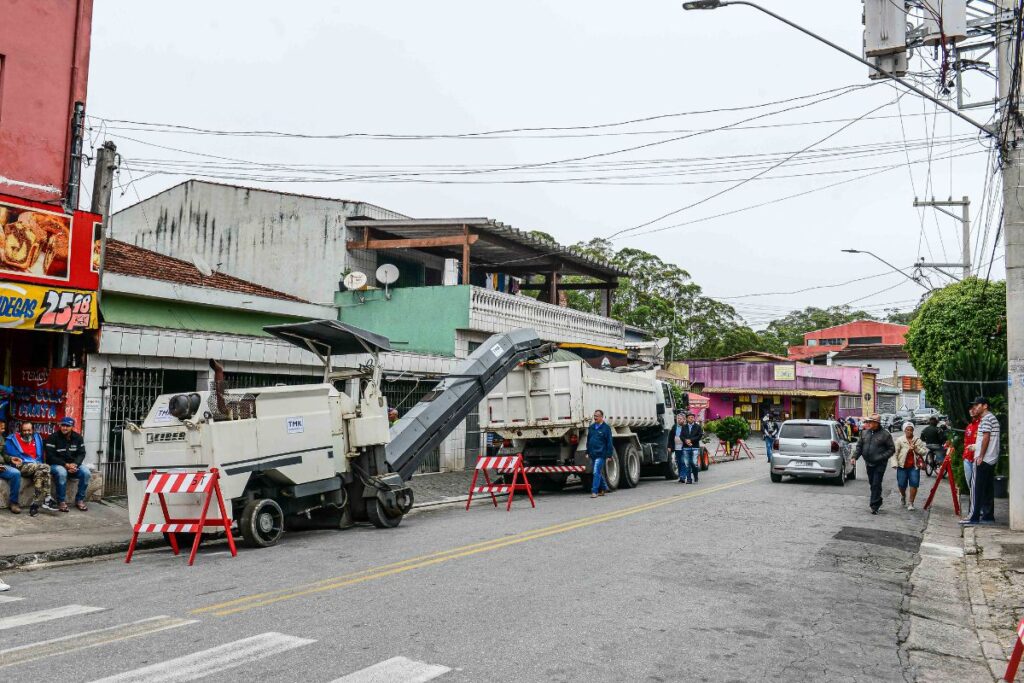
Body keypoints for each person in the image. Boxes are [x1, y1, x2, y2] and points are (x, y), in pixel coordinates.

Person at [4, 421, 56, 516]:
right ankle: (47, 498)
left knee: (41, 473)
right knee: (45, 467)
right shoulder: (12, 439)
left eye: (29, 430)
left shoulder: (37, 438)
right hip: (21, 466)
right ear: (20, 430)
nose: (27, 432)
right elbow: (6, 455)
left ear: (33, 430)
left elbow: (40, 456)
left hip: (37, 466)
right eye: (24, 430)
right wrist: (12, 459)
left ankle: (34, 505)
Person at [961, 397, 1000, 526]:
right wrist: (976, 447)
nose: (975, 408)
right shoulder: (991, 418)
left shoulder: (986, 419)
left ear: (985, 406)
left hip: (984, 459)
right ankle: (988, 516)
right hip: (991, 458)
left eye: (977, 405)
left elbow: (986, 438)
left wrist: (981, 455)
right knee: (987, 489)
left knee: (975, 489)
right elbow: (985, 439)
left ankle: (973, 516)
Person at [851, 414, 895, 514]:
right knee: (872, 483)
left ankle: (874, 505)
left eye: (871, 422)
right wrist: (854, 457)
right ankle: (878, 499)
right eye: (868, 421)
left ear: (876, 423)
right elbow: (859, 447)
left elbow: (892, 449)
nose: (868, 423)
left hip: (880, 464)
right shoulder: (864, 433)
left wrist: (882, 457)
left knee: (876, 483)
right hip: (868, 462)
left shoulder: (885, 434)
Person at [45, 417, 90, 512]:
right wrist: (65, 465)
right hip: (56, 465)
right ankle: (61, 501)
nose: (64, 428)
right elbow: (50, 456)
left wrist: (75, 464)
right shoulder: (53, 437)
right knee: (62, 473)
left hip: (73, 465)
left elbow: (81, 453)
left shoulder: (78, 438)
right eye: (63, 425)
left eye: (67, 426)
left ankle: (80, 500)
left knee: (86, 473)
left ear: (72, 426)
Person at [891, 422, 928, 511]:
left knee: (914, 484)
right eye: (907, 430)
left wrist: (916, 448)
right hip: (902, 465)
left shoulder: (917, 440)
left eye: (911, 430)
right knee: (901, 484)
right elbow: (895, 453)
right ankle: (903, 495)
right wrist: (894, 463)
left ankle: (911, 502)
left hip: (914, 466)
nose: (909, 431)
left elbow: (924, 451)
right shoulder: (900, 440)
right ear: (904, 430)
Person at [586, 409, 614, 499]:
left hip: (601, 454)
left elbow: (609, 442)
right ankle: (605, 487)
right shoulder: (592, 427)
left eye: (597, 416)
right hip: (593, 454)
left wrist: (609, 455)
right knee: (597, 472)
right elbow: (588, 440)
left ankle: (594, 491)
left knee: (595, 472)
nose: (595, 418)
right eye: (594, 416)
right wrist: (587, 452)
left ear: (601, 417)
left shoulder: (606, 428)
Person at [671, 413, 703, 484]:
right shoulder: (684, 427)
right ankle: (689, 479)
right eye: (689, 418)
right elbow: (681, 436)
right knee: (687, 464)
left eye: (692, 417)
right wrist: (685, 440)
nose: (691, 419)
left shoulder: (698, 427)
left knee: (694, 463)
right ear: (687, 419)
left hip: (694, 447)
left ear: (694, 419)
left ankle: (695, 476)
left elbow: (699, 436)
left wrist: (691, 440)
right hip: (686, 448)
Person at [0, 419, 23, 514]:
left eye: (3, 428)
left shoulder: (1, 437)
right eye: (0, 428)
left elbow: (3, 454)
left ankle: (13, 502)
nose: (2, 430)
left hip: (2, 466)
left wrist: (11, 459)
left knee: (16, 473)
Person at [962, 403, 981, 496]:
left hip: (977, 459)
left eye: (974, 408)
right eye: (970, 408)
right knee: (970, 485)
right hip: (967, 459)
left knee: (978, 485)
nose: (972, 410)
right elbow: (965, 442)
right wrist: (965, 456)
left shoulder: (982, 425)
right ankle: (973, 506)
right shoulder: (969, 426)